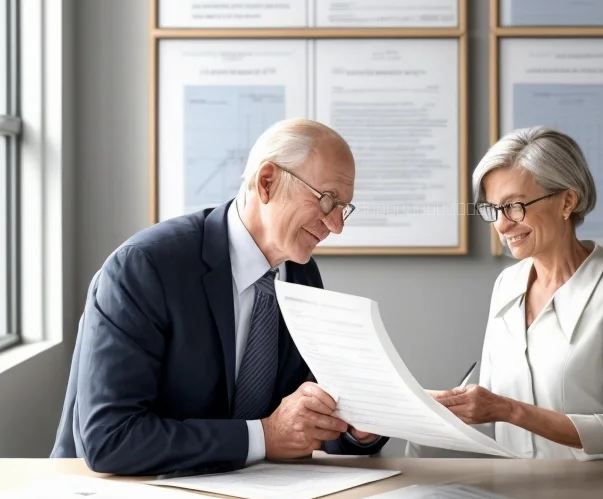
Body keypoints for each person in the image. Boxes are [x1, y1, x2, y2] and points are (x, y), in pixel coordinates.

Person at [52, 119, 386, 475]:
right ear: (267, 182)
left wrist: (359, 426)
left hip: (245, 493)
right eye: (326, 201)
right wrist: (264, 436)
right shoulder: (145, 267)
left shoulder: (301, 275)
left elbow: (298, 421)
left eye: (343, 208)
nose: (336, 226)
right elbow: (110, 438)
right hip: (115, 498)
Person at [434, 127, 603, 459]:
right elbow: (490, 416)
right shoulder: (507, 284)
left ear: (567, 201)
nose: (502, 226)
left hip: (597, 495)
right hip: (512, 493)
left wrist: (511, 410)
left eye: (514, 206)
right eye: (494, 210)